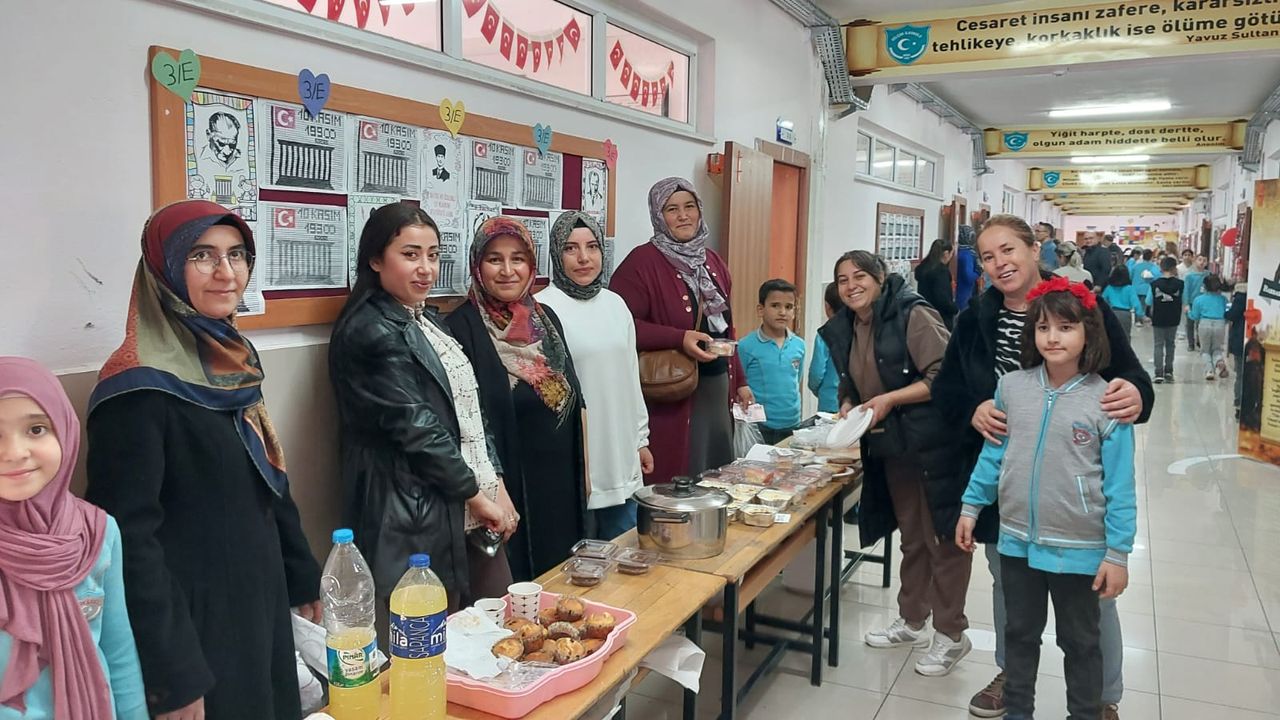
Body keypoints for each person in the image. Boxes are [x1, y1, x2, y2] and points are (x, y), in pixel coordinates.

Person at [85, 200, 322, 720]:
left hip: (258, 596)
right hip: (195, 625)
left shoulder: (228, 360)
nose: (226, 272)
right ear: (164, 268)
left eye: (237, 254)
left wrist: (301, 572)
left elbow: (268, 476)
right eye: (201, 255)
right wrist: (172, 673)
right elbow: (126, 542)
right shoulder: (136, 390)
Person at [931, 214, 1153, 720]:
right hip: (1008, 483)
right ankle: (1011, 678)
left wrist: (1138, 394)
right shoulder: (975, 316)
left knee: (1092, 608)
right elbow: (947, 388)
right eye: (988, 257)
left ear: (1035, 250)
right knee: (1011, 591)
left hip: (1074, 496)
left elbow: (1130, 373)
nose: (1000, 263)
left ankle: (1101, 698)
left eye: (1008, 250)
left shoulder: (1079, 304)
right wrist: (973, 409)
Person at [328, 202, 515, 623]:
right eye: (410, 255)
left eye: (433, 255)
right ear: (376, 260)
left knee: (497, 628)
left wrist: (497, 484)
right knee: (434, 642)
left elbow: (469, 411)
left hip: (466, 498)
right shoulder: (370, 330)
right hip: (416, 512)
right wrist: (478, 497)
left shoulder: (426, 320)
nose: (426, 269)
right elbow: (418, 429)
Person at [817, 251, 974, 677]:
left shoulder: (912, 313)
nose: (851, 285)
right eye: (842, 279)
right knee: (912, 535)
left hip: (934, 442)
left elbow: (944, 376)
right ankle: (912, 620)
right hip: (892, 445)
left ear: (881, 277)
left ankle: (951, 634)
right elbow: (852, 377)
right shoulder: (849, 324)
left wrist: (889, 399)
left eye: (860, 276)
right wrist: (848, 401)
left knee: (943, 537)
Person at [0, 358, 147, 720]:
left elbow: (118, 649)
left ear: (64, 429)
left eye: (36, 429)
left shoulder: (97, 531)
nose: (15, 453)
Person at [448, 216, 587, 580]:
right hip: (507, 490)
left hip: (560, 484)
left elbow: (572, 396)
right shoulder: (461, 327)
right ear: (478, 266)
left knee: (564, 585)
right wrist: (491, 489)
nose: (508, 271)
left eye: (518, 259)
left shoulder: (546, 320)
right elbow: (466, 422)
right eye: (495, 259)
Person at [610, 177, 753, 485]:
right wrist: (678, 338)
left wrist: (740, 381)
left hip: (717, 389)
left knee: (715, 476)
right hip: (672, 393)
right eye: (672, 209)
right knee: (677, 479)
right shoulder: (640, 264)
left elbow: (727, 327)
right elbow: (620, 326)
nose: (683, 216)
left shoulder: (712, 261)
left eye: (690, 206)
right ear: (658, 216)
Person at [538, 211, 653, 540]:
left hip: (621, 457)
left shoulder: (616, 305)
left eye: (592, 247)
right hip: (574, 461)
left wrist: (641, 441)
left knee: (626, 553)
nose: (584, 258)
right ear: (556, 253)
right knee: (580, 557)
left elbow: (630, 380)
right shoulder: (542, 308)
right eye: (570, 248)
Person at [738, 279, 806, 444]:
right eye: (775, 306)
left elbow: (796, 380)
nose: (782, 312)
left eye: (788, 307)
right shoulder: (745, 346)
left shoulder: (799, 345)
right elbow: (739, 384)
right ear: (760, 310)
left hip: (793, 424)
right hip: (760, 426)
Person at [808, 283, 842, 414]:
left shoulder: (825, 334)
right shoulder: (859, 330)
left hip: (829, 402)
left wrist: (819, 391)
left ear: (827, 306)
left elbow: (816, 373)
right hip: (856, 404)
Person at [1150, 256, 1185, 384]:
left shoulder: (1154, 284)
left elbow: (1148, 301)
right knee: (1170, 344)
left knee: (1158, 344)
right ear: (1174, 268)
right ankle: (1169, 371)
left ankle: (1158, 373)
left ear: (1161, 268)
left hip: (1158, 317)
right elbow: (1184, 300)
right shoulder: (1180, 284)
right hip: (1173, 317)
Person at [1190, 274, 1229, 381]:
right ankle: (1219, 361)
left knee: (1205, 350)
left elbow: (1194, 316)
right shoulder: (1223, 299)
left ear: (1204, 286)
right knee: (1217, 349)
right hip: (1220, 324)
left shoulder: (1198, 299)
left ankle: (1209, 371)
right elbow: (1228, 314)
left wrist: (1188, 312)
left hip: (1204, 323)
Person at [914, 238, 959, 330]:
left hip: (925, 313)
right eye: (951, 254)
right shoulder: (941, 272)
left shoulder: (924, 267)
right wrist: (954, 309)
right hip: (940, 317)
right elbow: (942, 298)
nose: (951, 257)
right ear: (946, 254)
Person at [1101, 265, 1144, 339]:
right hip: (1125, 315)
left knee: (1111, 337)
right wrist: (1141, 315)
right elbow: (1136, 304)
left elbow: (1102, 300)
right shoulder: (1130, 289)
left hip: (1112, 313)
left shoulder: (1109, 288)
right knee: (1125, 337)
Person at [1227, 280, 1249, 415]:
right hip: (1259, 340)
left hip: (1240, 340)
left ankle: (1239, 404)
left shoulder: (1240, 297)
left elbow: (1232, 315)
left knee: (1240, 374)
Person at [1183, 255, 1208, 351]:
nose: (1202, 262)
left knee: (1201, 324)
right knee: (1190, 324)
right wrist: (1186, 304)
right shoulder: (1189, 276)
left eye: (1204, 260)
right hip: (1192, 303)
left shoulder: (1208, 275)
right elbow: (1186, 290)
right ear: (1195, 261)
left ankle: (1200, 341)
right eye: (1200, 260)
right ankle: (1191, 343)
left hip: (1204, 303)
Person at [956, 225, 982, 312]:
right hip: (964, 292)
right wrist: (979, 271)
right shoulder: (967, 255)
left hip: (959, 290)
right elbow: (969, 277)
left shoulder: (958, 251)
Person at [1131, 249, 1159, 319]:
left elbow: (1131, 276)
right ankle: (1141, 319)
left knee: (1136, 306)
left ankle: (1137, 320)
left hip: (1135, 289)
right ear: (1151, 257)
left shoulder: (1135, 266)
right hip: (1146, 290)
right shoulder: (1154, 267)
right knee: (1143, 307)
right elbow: (1157, 278)